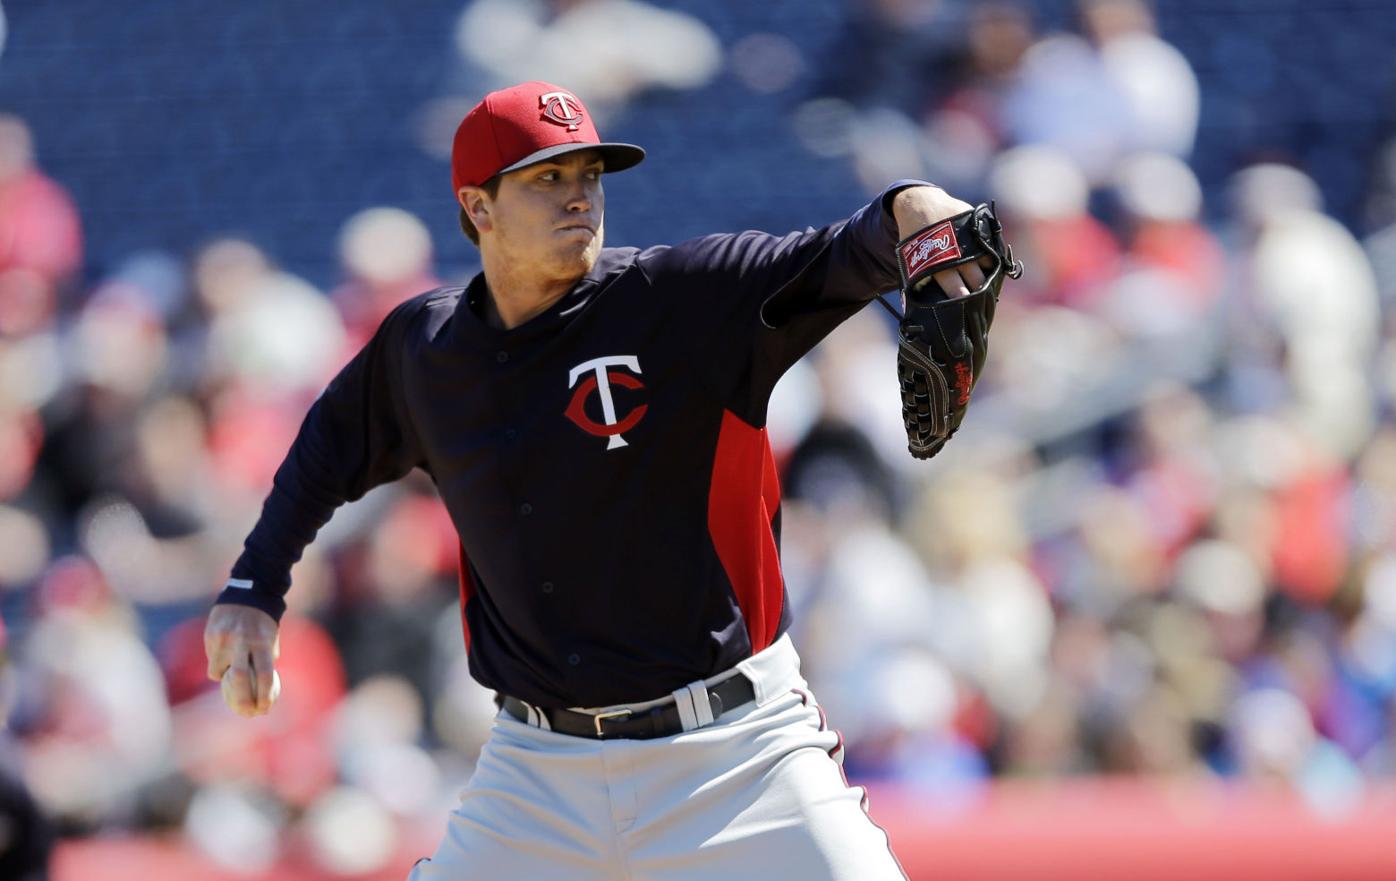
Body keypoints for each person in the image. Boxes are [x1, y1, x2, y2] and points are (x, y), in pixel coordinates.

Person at [204, 80, 991, 880]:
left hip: (735, 752)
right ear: (477, 208)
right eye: (547, 178)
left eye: (589, 174)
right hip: (536, 775)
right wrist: (253, 584)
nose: (579, 195)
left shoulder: (679, 300)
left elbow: (839, 253)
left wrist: (911, 210)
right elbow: (326, 447)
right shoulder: (427, 351)